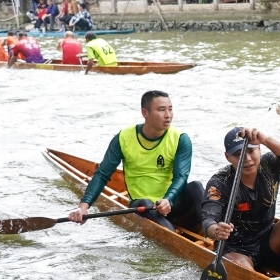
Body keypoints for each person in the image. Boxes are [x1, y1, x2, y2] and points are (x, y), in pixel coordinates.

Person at [70, 90, 203, 233]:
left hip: (171, 203)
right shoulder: (123, 138)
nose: (168, 115)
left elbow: (181, 177)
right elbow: (102, 174)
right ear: (145, 113)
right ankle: (171, 234)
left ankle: (214, 230)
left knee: (196, 186)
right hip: (143, 206)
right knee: (146, 202)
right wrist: (83, 207)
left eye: (170, 109)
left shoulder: (181, 139)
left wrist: (168, 200)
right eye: (161, 110)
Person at [200, 127, 280, 279]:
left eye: (251, 151)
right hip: (236, 248)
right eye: (238, 155)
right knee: (247, 272)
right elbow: (208, 220)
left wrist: (265, 139)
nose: (247, 159)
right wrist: (216, 230)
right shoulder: (220, 182)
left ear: (259, 149)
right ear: (227, 157)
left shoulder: (269, 165)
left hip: (268, 240)